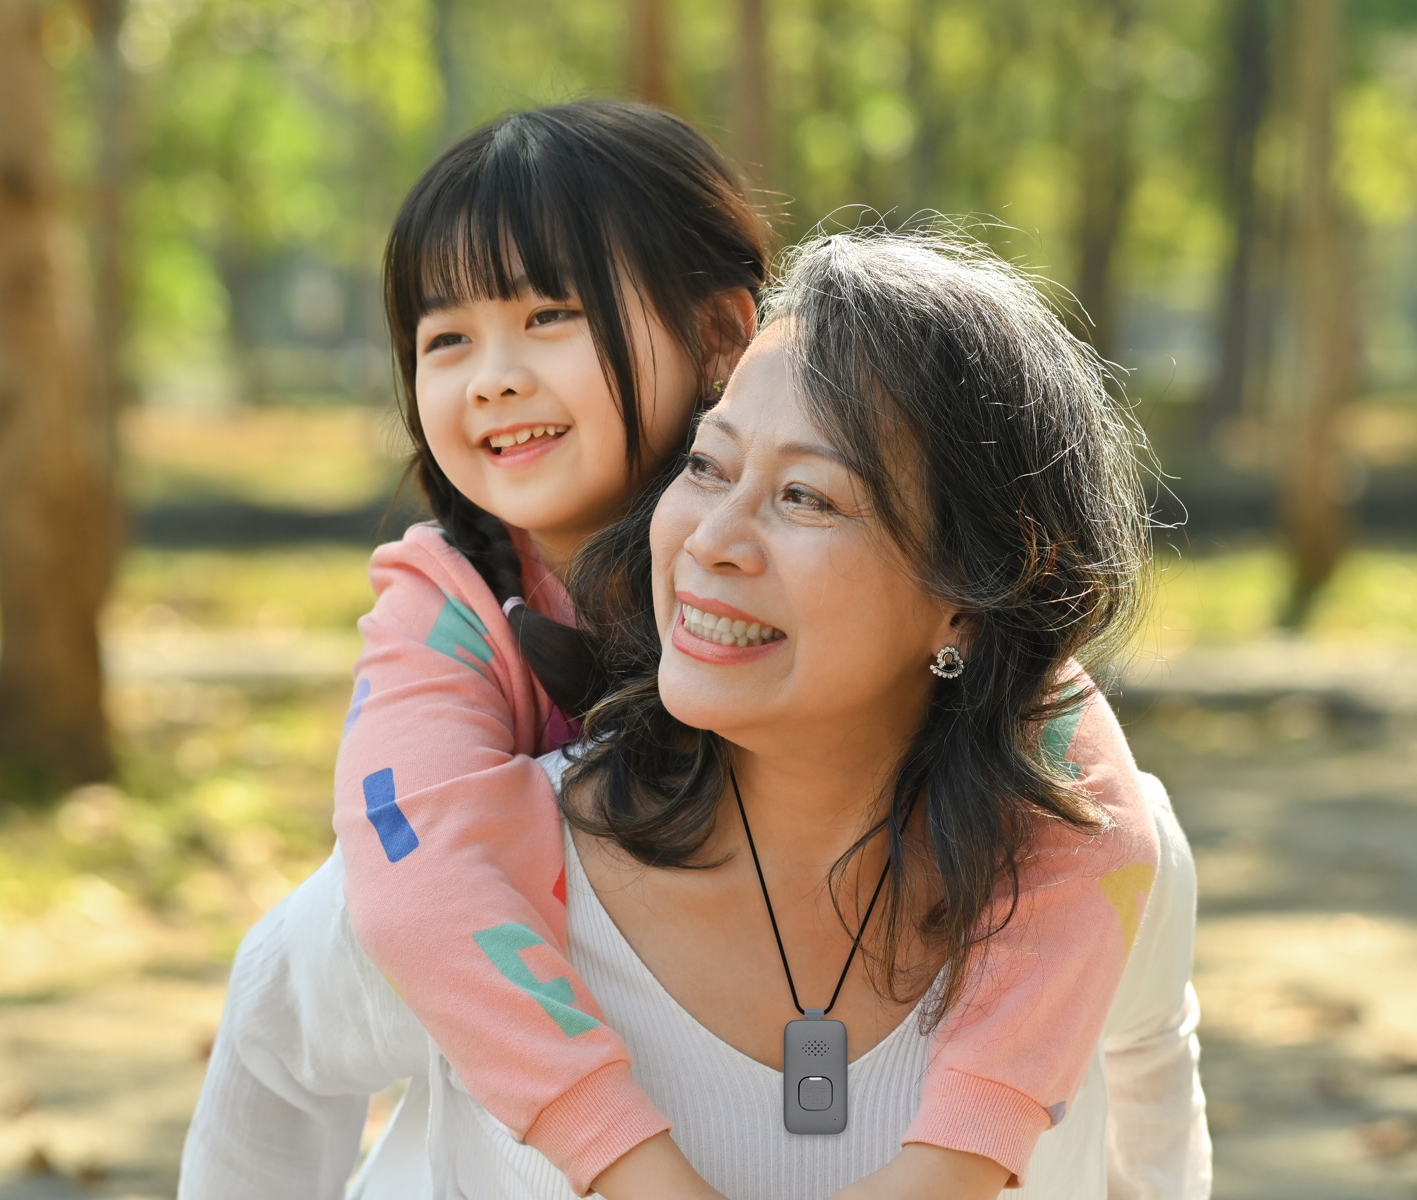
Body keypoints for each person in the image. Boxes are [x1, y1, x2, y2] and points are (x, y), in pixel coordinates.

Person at [179, 227, 1210, 1199]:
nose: (712, 538)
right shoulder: (492, 867)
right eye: (706, 468)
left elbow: (1150, 1062)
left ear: (971, 599)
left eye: (807, 497)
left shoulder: (1095, 862)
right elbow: (272, 1041)